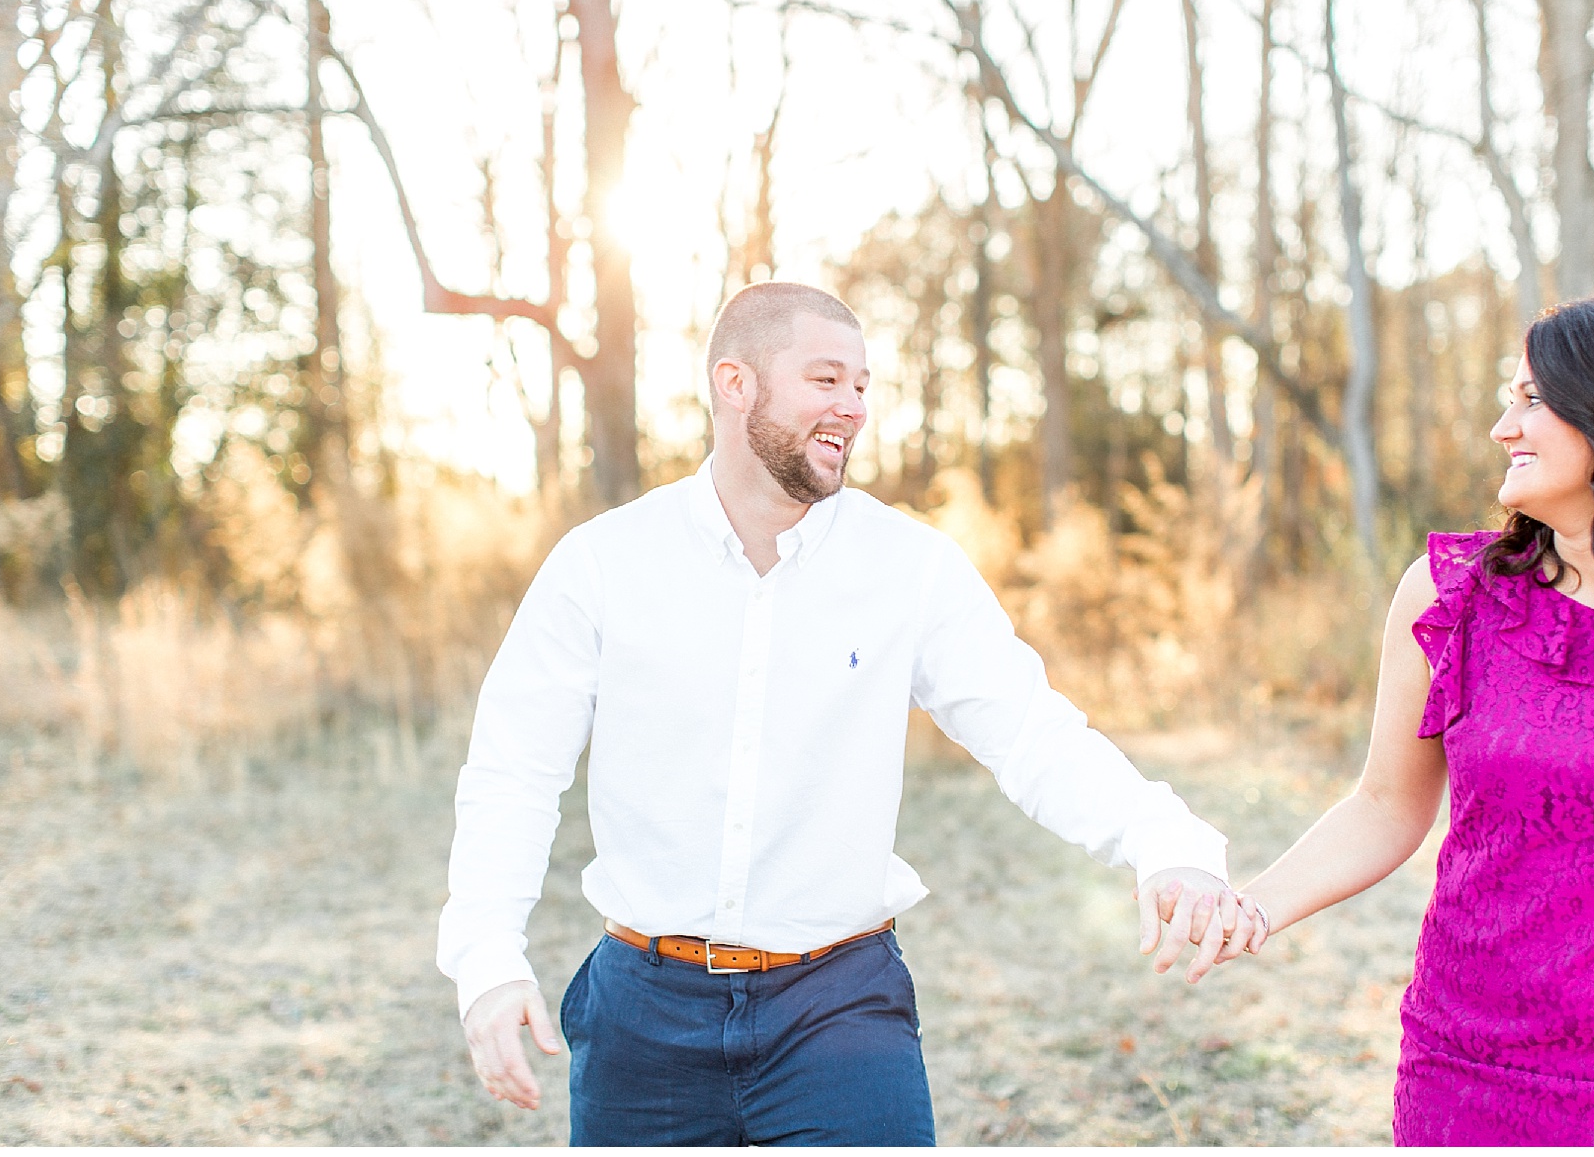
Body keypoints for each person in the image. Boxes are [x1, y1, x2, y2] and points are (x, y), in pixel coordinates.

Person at [437, 281, 1244, 1146]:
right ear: (735, 383)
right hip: (643, 1015)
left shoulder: (910, 566)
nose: (853, 407)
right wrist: (487, 958)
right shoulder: (604, 562)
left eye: (861, 385)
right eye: (825, 379)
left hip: (838, 1008)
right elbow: (514, 768)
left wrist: (1166, 841)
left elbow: (1031, 731)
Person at [1222, 298, 1594, 1145]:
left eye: (1532, 399)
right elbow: (1385, 805)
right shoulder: (1449, 595)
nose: (1500, 426)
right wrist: (1252, 906)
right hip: (1465, 1072)